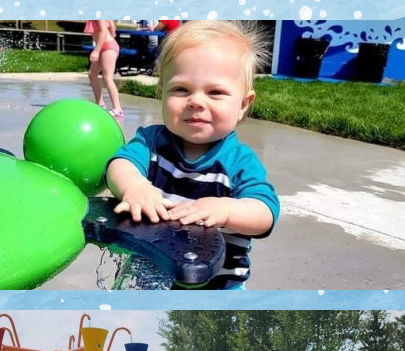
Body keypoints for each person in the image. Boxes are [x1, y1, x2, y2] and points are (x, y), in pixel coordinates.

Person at [106, 20, 279, 289]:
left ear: (244, 104)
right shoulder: (151, 142)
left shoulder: (239, 162)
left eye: (215, 92)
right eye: (181, 89)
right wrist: (134, 187)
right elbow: (120, 165)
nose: (196, 101)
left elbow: (265, 212)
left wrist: (226, 209)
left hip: (218, 288)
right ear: (162, 92)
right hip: (150, 277)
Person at [84, 19, 124, 119]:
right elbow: (111, 26)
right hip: (103, 46)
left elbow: (104, 31)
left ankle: (118, 109)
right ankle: (100, 104)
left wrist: (96, 51)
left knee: (107, 77)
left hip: (108, 47)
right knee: (92, 74)